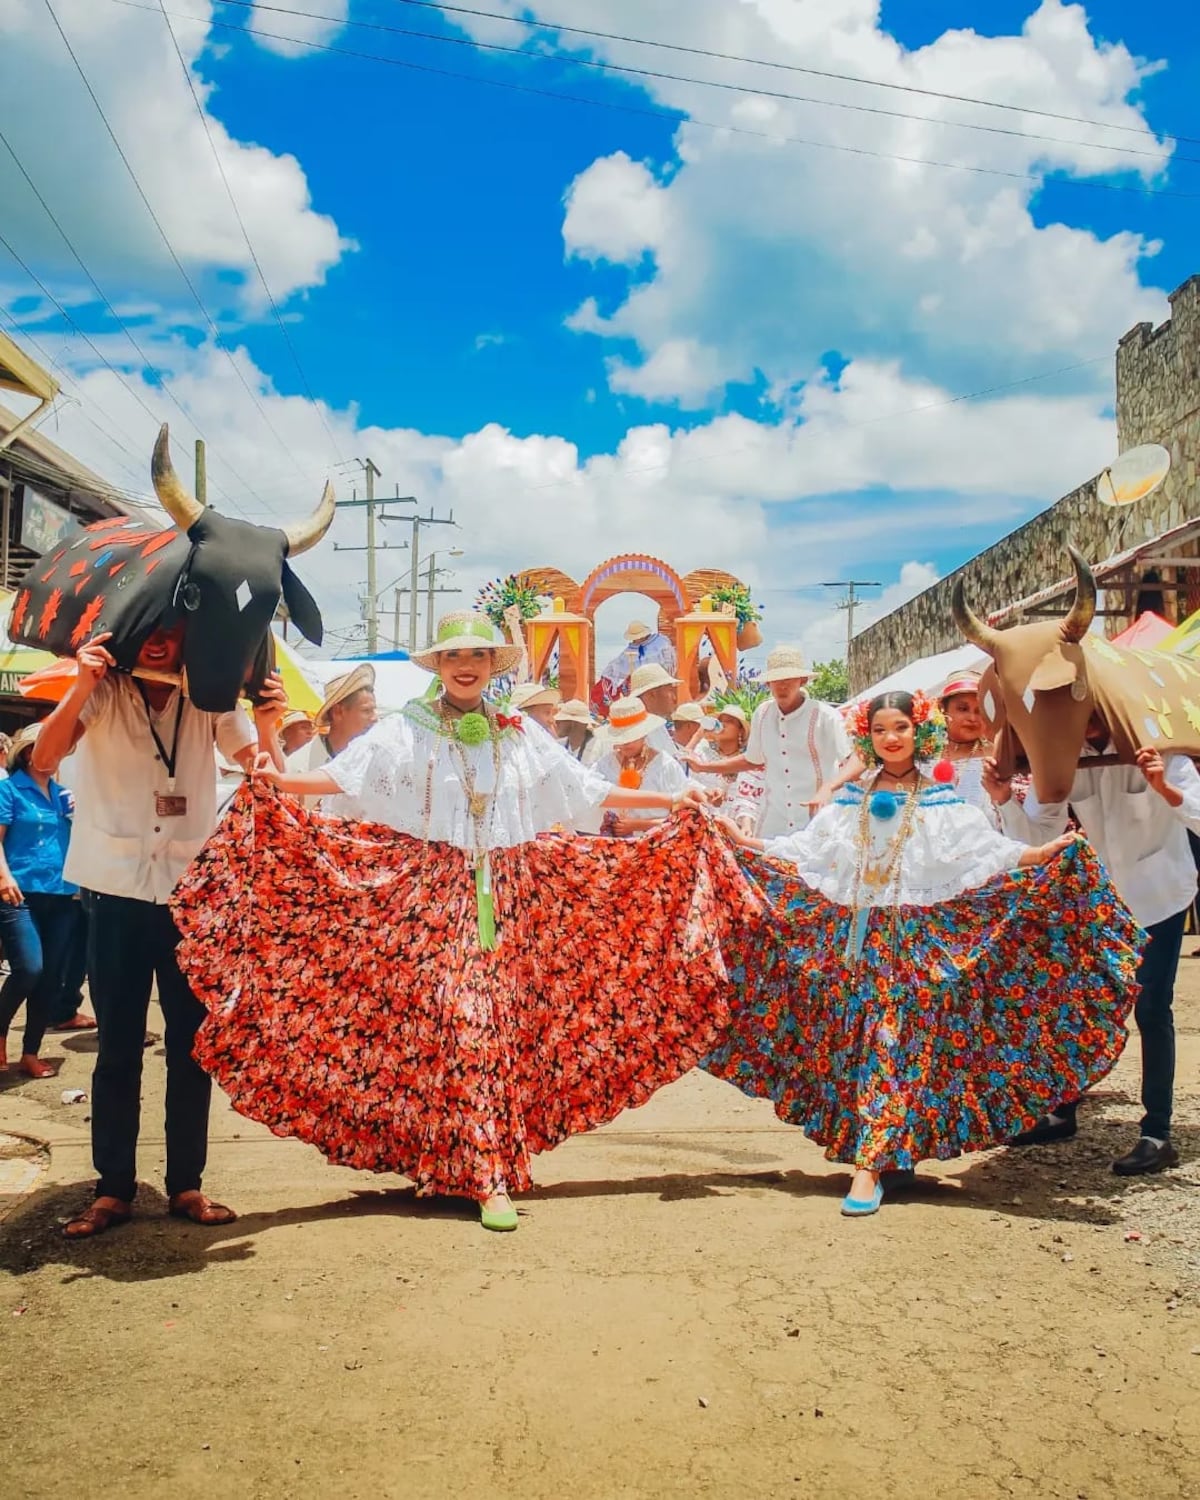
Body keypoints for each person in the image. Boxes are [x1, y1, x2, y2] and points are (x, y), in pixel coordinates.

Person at [180, 612, 718, 1234]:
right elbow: (341, 776)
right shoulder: (403, 730)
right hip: (432, 897)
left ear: (493, 667)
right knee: (464, 1023)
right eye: (455, 654)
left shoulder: (518, 731)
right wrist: (280, 778)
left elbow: (585, 788)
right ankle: (484, 1174)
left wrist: (670, 799)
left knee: (503, 1029)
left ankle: (474, 1159)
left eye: (479, 656)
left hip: (514, 895)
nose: (467, 664)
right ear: (438, 665)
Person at [707, 690, 1137, 1217]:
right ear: (868, 735)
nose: (892, 738)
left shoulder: (941, 798)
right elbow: (805, 849)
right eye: (882, 729)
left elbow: (985, 851)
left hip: (917, 945)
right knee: (868, 1045)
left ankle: (869, 1167)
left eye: (902, 728)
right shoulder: (851, 799)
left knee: (895, 1040)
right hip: (860, 944)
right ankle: (889, 1152)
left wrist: (1041, 854)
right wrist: (743, 843)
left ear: (919, 733)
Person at [32, 625, 285, 1239]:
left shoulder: (210, 698)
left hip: (189, 894)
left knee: (190, 1045)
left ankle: (186, 1183)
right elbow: (44, 758)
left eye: (171, 632)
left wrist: (270, 723)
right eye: (148, 629)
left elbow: (262, 773)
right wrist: (82, 683)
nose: (158, 642)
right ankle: (112, 1188)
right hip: (114, 891)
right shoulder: (102, 689)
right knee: (117, 1046)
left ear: (188, 640)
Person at [986, 714, 1200, 1174]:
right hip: (1103, 898)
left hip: (1160, 892)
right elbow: (1041, 835)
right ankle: (1063, 1110)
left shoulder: (1161, 746)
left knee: (1152, 1008)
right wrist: (1005, 801)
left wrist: (1165, 788)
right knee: (1080, 1004)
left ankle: (1157, 1132)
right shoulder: (1063, 757)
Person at [684, 646, 848, 837]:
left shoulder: (826, 717)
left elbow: (854, 759)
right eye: (776, 680)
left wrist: (829, 788)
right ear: (768, 683)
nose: (782, 686)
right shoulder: (762, 714)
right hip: (774, 824)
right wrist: (704, 767)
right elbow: (753, 759)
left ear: (802, 681)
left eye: (788, 679)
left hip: (817, 822)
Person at [0, 724, 78, 1077]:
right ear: (29, 752)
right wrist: (4, 876)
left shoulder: (64, 795)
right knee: (29, 968)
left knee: (50, 977)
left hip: (61, 892)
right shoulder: (10, 789)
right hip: (19, 891)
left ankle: (30, 1051)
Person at [595, 695, 690, 836]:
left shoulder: (665, 765)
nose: (626, 742)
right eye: (621, 737)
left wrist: (639, 825)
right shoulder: (604, 765)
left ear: (644, 733)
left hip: (657, 847)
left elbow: (684, 816)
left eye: (632, 736)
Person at [599, 619, 677, 697]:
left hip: (660, 679)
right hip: (642, 683)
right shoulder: (631, 649)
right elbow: (618, 664)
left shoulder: (660, 642)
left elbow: (669, 660)